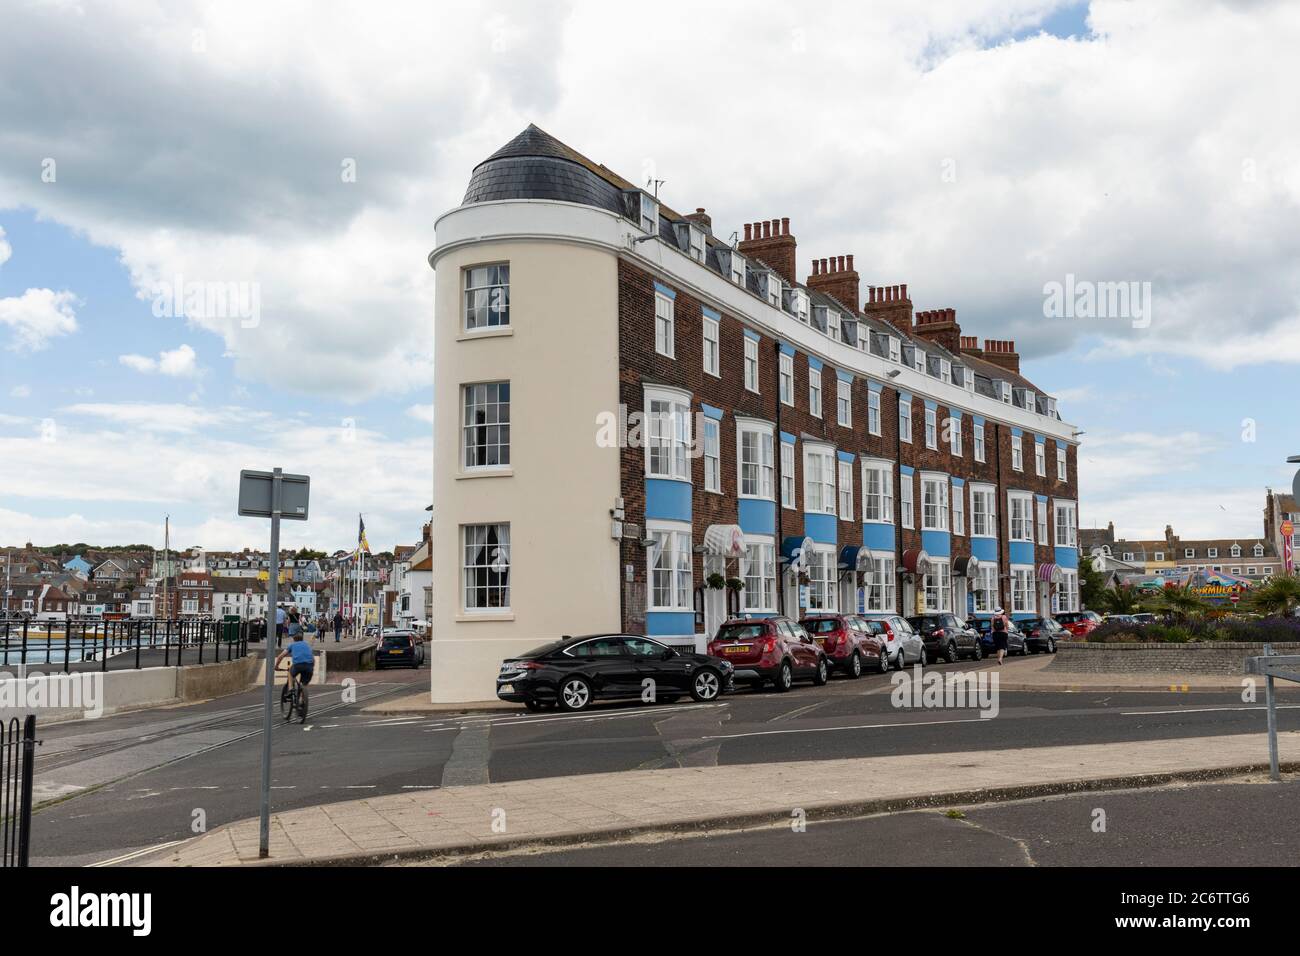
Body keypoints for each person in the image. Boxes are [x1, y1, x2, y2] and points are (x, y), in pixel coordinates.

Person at [275, 627, 315, 699]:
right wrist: (312, 667)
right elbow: (313, 658)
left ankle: (290, 690)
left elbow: (280, 656)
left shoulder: (292, 645)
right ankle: (302, 701)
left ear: (293, 639)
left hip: (298, 665)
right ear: (302, 638)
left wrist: (276, 666)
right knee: (303, 684)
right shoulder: (307, 645)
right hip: (309, 666)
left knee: (290, 673)